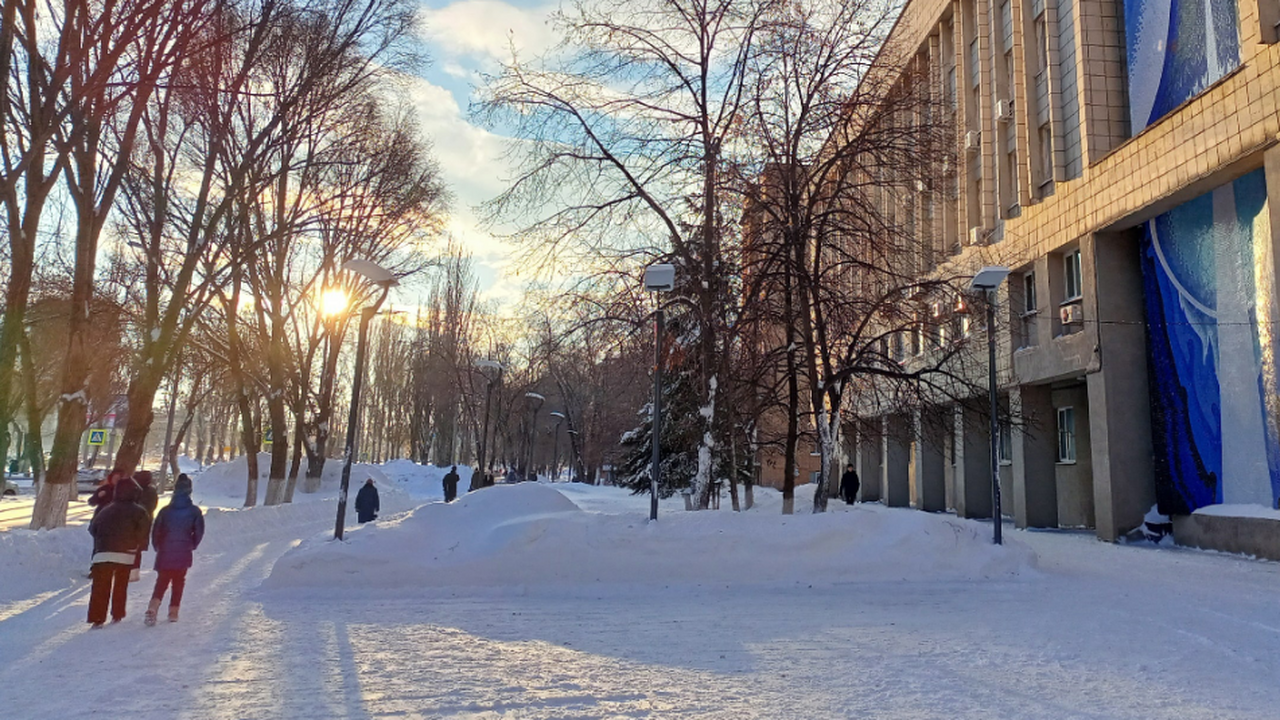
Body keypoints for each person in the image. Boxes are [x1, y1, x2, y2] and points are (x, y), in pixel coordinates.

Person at [87, 477, 151, 628]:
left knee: (100, 587)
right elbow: (143, 533)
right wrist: (136, 546)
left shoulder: (105, 510)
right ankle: (117, 613)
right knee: (120, 585)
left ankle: (97, 618)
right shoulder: (140, 511)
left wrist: (102, 542)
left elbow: (93, 529)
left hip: (101, 553)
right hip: (125, 555)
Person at [146, 474, 204, 626]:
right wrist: (192, 545)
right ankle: (173, 612)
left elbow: (156, 530)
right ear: (189, 491)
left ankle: (153, 607)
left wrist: (158, 546)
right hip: (183, 551)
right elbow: (199, 532)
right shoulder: (194, 511)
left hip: (165, 550)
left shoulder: (165, 511)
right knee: (179, 581)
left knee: (162, 580)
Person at [131, 470, 160, 582]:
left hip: (135, 523)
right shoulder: (152, 491)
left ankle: (131, 571)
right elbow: (152, 507)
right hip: (145, 523)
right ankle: (134, 572)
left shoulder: (137, 491)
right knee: (137, 548)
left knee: (132, 547)